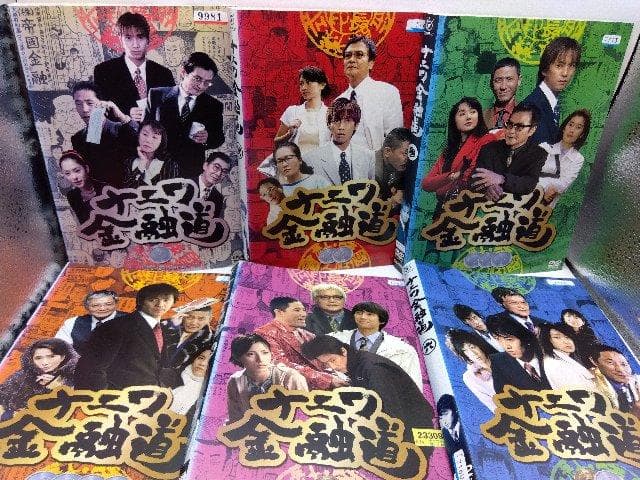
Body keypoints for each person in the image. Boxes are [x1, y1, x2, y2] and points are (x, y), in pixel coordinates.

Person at [301, 335, 434, 444]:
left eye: (333, 360)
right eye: (325, 363)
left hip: (415, 431)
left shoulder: (372, 368)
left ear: (343, 351)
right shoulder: (356, 362)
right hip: (399, 424)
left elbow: (390, 411)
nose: (332, 367)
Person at [74, 283, 181, 390]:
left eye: (166, 300)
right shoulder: (115, 327)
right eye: (153, 300)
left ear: (173, 303)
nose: (160, 304)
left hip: (151, 396)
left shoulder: (162, 329)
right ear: (141, 301)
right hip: (118, 397)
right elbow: (90, 369)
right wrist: (107, 397)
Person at [136, 52, 225, 178]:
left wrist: (207, 138)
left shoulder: (214, 105)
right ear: (183, 72)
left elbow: (219, 138)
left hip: (190, 170)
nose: (201, 86)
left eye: (207, 82)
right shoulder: (156, 94)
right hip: (156, 168)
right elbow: (143, 129)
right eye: (197, 79)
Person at [422, 97, 496, 217]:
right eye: (462, 114)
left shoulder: (487, 140)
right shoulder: (449, 150)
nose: (468, 117)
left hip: (468, 209)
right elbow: (426, 184)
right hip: (442, 210)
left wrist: (440, 185)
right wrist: (452, 176)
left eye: (473, 112)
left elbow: (471, 175)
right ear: (454, 121)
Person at [254, 297, 348, 390]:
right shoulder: (263, 333)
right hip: (289, 390)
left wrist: (337, 376)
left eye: (304, 310)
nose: (303, 314)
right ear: (279, 312)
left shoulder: (307, 335)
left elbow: (323, 361)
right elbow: (280, 365)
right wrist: (327, 379)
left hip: (322, 388)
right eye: (297, 310)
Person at [94, 12, 175, 116]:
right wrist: (125, 114)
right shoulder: (103, 71)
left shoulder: (164, 74)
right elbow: (97, 116)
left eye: (140, 37)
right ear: (120, 39)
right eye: (128, 38)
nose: (135, 45)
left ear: (148, 40)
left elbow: (174, 114)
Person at [329, 302, 423, 389]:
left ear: (382, 320)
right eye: (359, 313)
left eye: (369, 314)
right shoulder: (333, 339)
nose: (363, 317)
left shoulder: (402, 349)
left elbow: (413, 386)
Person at [337, 36, 402, 151]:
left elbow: (395, 140)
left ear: (371, 63)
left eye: (359, 55)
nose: (351, 60)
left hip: (375, 160)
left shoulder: (387, 93)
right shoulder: (338, 101)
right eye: (348, 55)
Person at [226, 333, 308, 423]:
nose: (260, 360)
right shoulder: (235, 381)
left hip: (290, 428)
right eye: (251, 354)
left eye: (265, 353)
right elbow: (235, 418)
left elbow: (306, 412)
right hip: (253, 429)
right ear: (238, 357)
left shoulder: (290, 377)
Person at [473, 103, 547, 201]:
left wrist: (502, 179)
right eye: (510, 124)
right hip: (485, 205)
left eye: (519, 127)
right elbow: (476, 178)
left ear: (532, 130)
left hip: (517, 207)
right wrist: (487, 188)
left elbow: (529, 183)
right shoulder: (488, 149)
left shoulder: (539, 154)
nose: (511, 131)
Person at [70, 81, 138, 187]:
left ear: (102, 103)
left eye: (90, 103)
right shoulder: (78, 138)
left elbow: (142, 142)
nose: (84, 109)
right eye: (78, 104)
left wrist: (122, 117)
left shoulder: (120, 129)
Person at [522, 36, 582, 145]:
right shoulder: (531, 106)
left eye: (571, 65)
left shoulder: (554, 104)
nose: (565, 73)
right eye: (559, 65)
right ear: (544, 69)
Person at [0, 338, 78, 419]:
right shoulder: (21, 376)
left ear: (62, 357)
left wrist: (56, 388)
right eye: (38, 358)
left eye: (51, 356)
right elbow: (2, 397)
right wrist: (9, 415)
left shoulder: (75, 377)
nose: (45, 363)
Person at [303, 97, 374, 185]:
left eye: (347, 121)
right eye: (336, 121)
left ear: (356, 125)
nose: (341, 127)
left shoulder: (368, 157)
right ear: (329, 124)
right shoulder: (310, 159)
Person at [538, 109, 591, 206]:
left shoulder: (578, 159)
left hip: (543, 207)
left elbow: (564, 184)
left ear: (582, 134)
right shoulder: (544, 147)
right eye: (570, 125)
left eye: (578, 127)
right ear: (564, 128)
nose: (572, 130)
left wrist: (551, 188)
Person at [274, 66, 331, 153]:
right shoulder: (292, 111)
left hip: (321, 161)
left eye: (308, 83)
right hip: (296, 161)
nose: (303, 88)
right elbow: (277, 143)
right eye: (301, 83)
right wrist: (289, 134)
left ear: (322, 85)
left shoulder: (330, 114)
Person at [55, 290, 125, 355]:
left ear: (116, 304)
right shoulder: (72, 323)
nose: (102, 308)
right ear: (87, 307)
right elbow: (58, 348)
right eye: (95, 305)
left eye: (108, 304)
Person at [489, 320, 551, 393]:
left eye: (509, 339)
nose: (506, 347)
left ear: (524, 337)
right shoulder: (498, 362)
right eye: (498, 340)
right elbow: (504, 396)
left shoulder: (545, 350)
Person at [446, 329, 497, 412]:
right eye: (465, 351)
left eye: (472, 347)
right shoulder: (469, 377)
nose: (473, 353)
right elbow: (490, 404)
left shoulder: (500, 358)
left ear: (478, 345)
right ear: (463, 355)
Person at [538, 322, 596, 390]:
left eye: (567, 337)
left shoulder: (567, 360)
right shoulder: (554, 364)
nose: (566, 341)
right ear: (548, 340)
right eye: (557, 337)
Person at [122, 119, 179, 187]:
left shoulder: (169, 165)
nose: (148, 140)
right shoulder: (129, 162)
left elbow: (169, 192)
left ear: (161, 141)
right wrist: (142, 164)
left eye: (154, 137)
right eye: (145, 134)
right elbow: (126, 189)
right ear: (138, 135)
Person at [589, 344, 640, 417]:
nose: (620, 369)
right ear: (594, 362)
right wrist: (634, 415)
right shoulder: (590, 386)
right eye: (611, 363)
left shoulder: (635, 382)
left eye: (624, 364)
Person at [58, 150, 107, 224]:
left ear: (86, 169)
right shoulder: (72, 196)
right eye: (67, 173)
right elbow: (83, 223)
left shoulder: (106, 189)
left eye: (77, 171)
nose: (74, 177)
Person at [164, 306, 214, 373]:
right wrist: (172, 326)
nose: (193, 323)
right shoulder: (166, 327)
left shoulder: (211, 342)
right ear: (182, 316)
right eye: (189, 317)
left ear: (209, 319)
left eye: (201, 319)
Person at [374, 127, 412, 206]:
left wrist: (400, 190)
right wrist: (390, 203)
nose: (408, 159)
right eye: (405, 153)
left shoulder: (397, 164)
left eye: (410, 153)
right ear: (387, 151)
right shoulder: (372, 172)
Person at [170, 347, 212, 417]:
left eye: (210, 362)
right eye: (201, 358)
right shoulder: (168, 375)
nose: (202, 363)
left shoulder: (208, 398)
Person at [483, 58, 521, 130]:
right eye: (498, 80)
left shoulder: (529, 115)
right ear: (491, 83)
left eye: (509, 79)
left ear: (519, 80)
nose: (503, 87)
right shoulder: (481, 117)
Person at [192, 151, 231, 218]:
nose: (218, 174)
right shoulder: (184, 185)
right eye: (216, 167)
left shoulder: (219, 198)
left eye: (224, 171)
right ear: (205, 166)